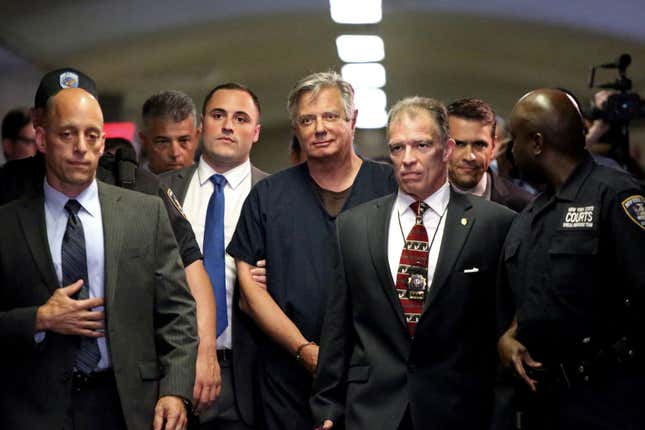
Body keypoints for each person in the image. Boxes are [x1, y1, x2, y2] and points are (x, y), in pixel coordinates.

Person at [0, 68, 221, 419]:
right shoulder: (9, 216)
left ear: (103, 142)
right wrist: (37, 318)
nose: (80, 148)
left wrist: (177, 390)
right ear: (40, 137)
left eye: (91, 136)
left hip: (124, 403)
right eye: (67, 134)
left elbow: (178, 307)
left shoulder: (143, 206)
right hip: (32, 406)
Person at [311, 96, 515, 430]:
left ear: (446, 149)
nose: (408, 160)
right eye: (397, 148)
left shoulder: (494, 225)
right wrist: (327, 407)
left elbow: (501, 331)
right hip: (372, 410)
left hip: (458, 410)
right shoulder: (354, 226)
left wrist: (502, 418)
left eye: (421, 145)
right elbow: (338, 328)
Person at [226, 71, 397, 430]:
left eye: (331, 116)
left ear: (353, 119)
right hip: (286, 379)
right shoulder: (269, 196)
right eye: (307, 120)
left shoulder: (390, 187)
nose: (319, 128)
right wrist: (304, 350)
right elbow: (249, 289)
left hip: (376, 377)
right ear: (297, 129)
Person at [497, 88, 645, 429]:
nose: (510, 151)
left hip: (610, 403)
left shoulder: (617, 196)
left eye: (514, 140)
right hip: (545, 402)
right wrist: (510, 336)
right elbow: (540, 294)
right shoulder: (530, 215)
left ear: (536, 143)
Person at [160, 82, 269, 430]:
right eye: (218, 115)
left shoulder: (278, 196)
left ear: (256, 132)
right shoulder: (158, 192)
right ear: (199, 126)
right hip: (171, 372)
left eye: (240, 118)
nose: (227, 125)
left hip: (253, 377)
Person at [447, 98, 532, 212]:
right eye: (459, 144)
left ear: (493, 147)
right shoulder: (419, 197)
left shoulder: (524, 207)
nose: (469, 156)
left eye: (479, 145)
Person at [140, 90, 200, 174]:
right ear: (144, 142)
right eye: (163, 142)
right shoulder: (126, 185)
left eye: (184, 140)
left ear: (196, 138)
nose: (175, 153)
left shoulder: (216, 185)